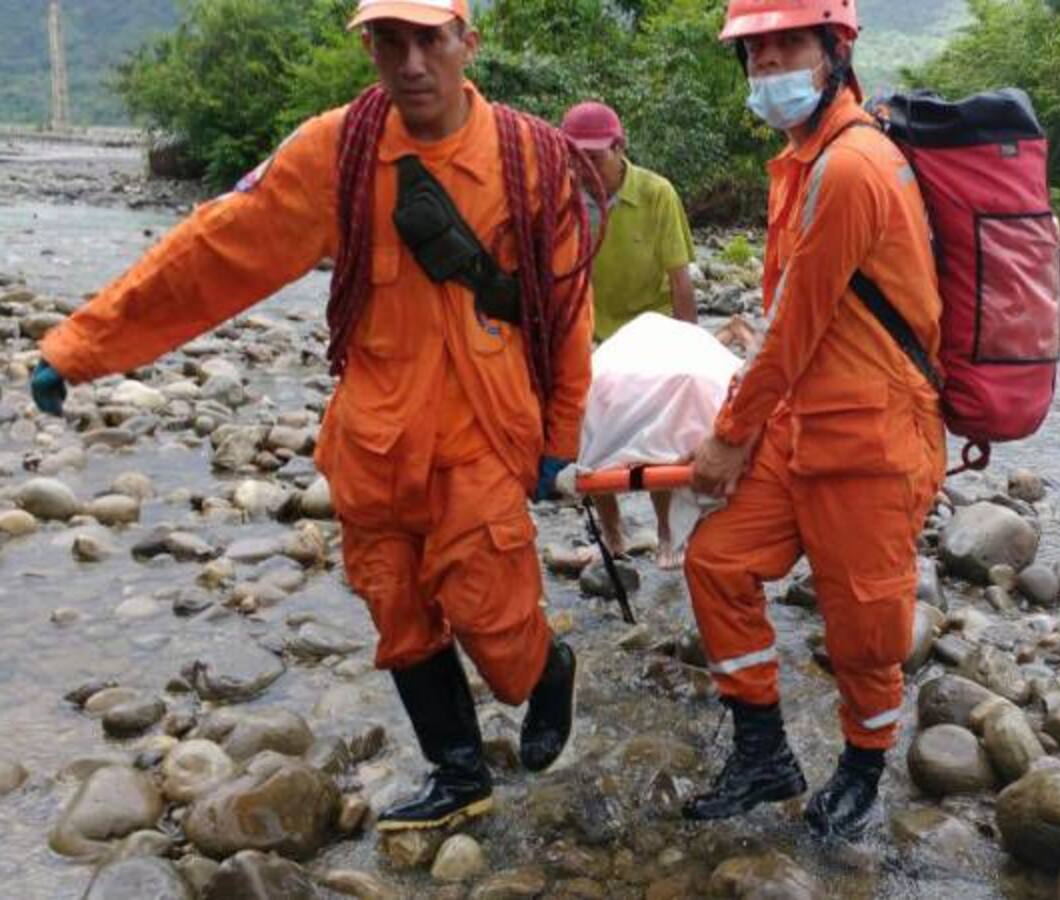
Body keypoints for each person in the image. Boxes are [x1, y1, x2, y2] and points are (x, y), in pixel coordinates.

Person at [30, 0, 600, 833]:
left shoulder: (531, 158)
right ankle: (458, 772)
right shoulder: (338, 150)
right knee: (398, 615)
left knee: (493, 617)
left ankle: (547, 676)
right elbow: (217, 249)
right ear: (370, 47)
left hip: (482, 430)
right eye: (387, 42)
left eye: (427, 41)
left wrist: (561, 439)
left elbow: (565, 312)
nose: (409, 63)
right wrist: (82, 344)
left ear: (465, 43)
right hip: (373, 435)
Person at [681, 0, 946, 840]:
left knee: (865, 623)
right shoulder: (803, 160)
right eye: (754, 52)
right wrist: (756, 420)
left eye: (785, 44)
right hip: (804, 427)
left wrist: (728, 434)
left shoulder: (852, 168)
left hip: (870, 439)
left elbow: (794, 326)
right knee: (718, 563)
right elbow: (789, 321)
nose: (768, 66)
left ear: (837, 48)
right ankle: (764, 751)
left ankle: (864, 765)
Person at [561, 101, 698, 569]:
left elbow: (681, 280)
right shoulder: (566, 198)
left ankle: (665, 533)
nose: (585, 169)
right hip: (594, 330)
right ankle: (614, 533)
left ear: (619, 149)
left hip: (651, 329)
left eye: (594, 158)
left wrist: (688, 353)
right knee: (591, 437)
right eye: (575, 159)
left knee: (656, 435)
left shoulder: (657, 193)